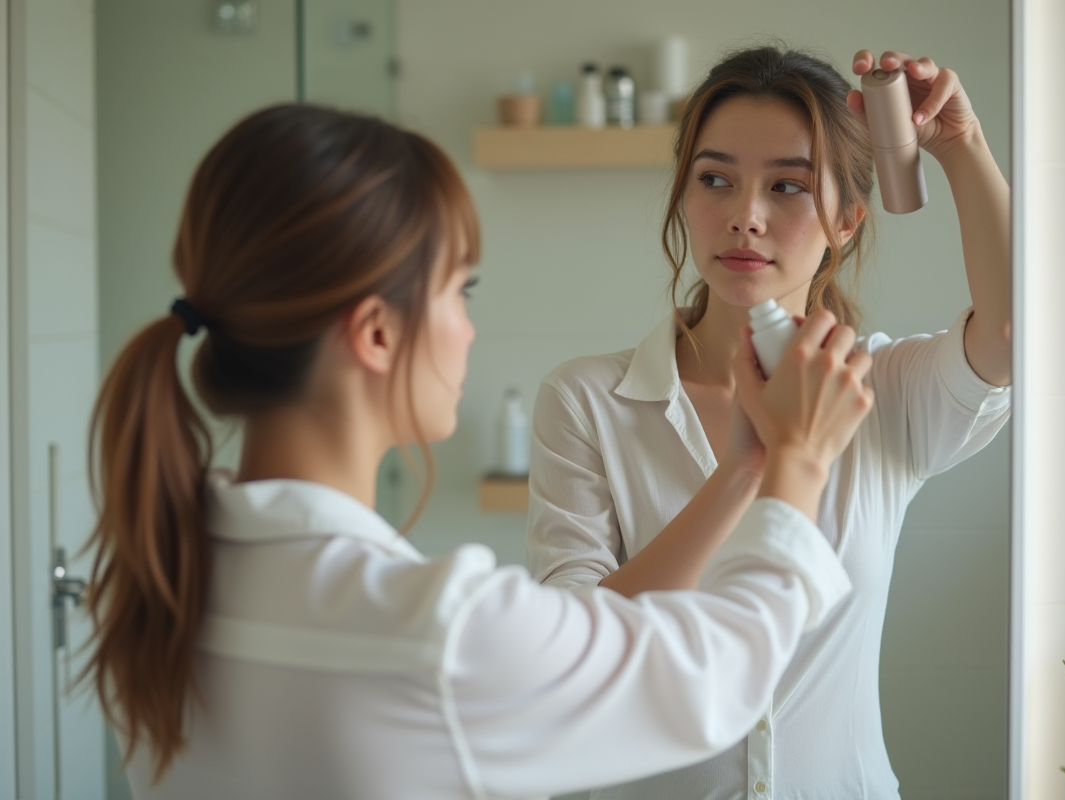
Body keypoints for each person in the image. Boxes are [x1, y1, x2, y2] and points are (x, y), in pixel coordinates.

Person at [83, 103, 878, 800]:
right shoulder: (432, 633)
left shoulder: (153, 583)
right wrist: (795, 461)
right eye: (459, 292)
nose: (467, 328)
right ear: (378, 333)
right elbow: (718, 679)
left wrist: (742, 466)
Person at [526, 46, 1012, 799]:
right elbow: (576, 649)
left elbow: (1011, 335)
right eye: (714, 179)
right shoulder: (587, 401)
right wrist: (747, 469)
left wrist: (961, 146)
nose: (744, 217)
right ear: (685, 199)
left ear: (847, 220)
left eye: (788, 186)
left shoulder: (880, 389)